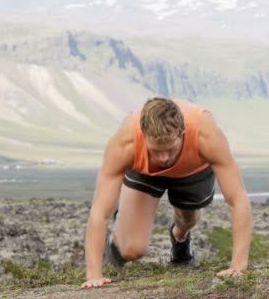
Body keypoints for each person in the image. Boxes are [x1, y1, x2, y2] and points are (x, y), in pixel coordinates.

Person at [81, 97, 252, 289]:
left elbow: (237, 200)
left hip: (192, 168)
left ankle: (179, 237)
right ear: (143, 136)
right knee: (132, 250)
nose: (164, 158)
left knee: (188, 219)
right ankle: (122, 228)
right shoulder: (124, 143)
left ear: (182, 133)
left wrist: (238, 265)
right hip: (144, 171)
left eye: (170, 149)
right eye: (156, 150)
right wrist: (93, 275)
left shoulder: (206, 135)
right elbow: (99, 212)